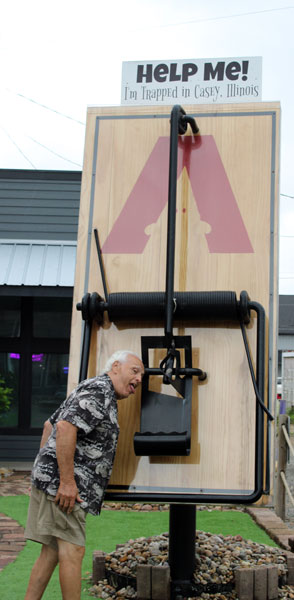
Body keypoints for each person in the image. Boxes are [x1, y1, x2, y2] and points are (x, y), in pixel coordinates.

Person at [24, 350, 144, 600]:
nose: (139, 378)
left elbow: (50, 425)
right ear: (115, 368)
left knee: (52, 551)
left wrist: (42, 472)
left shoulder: (95, 389)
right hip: (65, 487)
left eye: (141, 375)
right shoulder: (100, 390)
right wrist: (66, 482)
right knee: (73, 550)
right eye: (135, 370)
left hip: (53, 482)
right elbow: (65, 427)